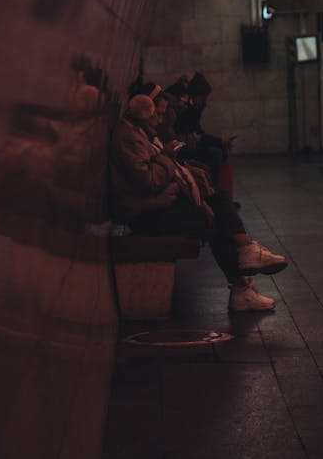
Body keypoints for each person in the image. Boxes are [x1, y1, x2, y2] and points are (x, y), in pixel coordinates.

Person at [108, 94, 287, 312]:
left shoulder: (140, 132)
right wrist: (167, 156)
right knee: (211, 218)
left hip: (153, 207)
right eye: (158, 114)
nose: (161, 119)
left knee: (216, 197)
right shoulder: (129, 137)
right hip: (144, 215)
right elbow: (149, 180)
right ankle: (243, 270)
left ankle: (245, 259)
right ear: (145, 114)